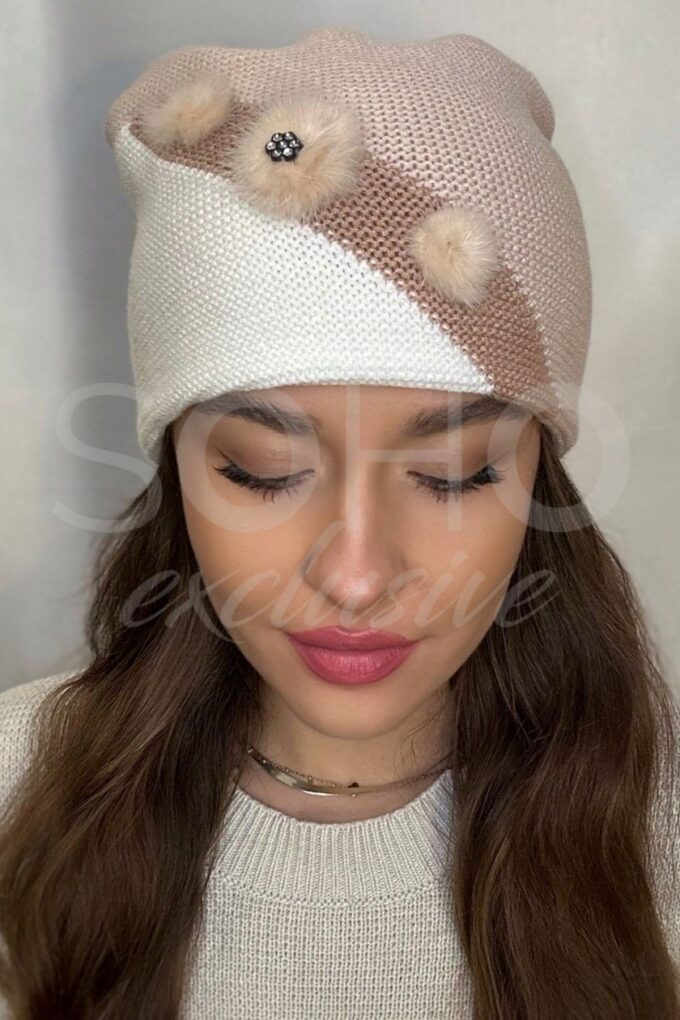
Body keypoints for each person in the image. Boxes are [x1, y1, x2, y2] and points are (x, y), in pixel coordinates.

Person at [0, 26, 678, 1020]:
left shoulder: (658, 830)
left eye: (454, 475)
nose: (356, 577)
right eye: (261, 470)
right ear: (175, 468)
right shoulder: (16, 788)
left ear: (542, 474)